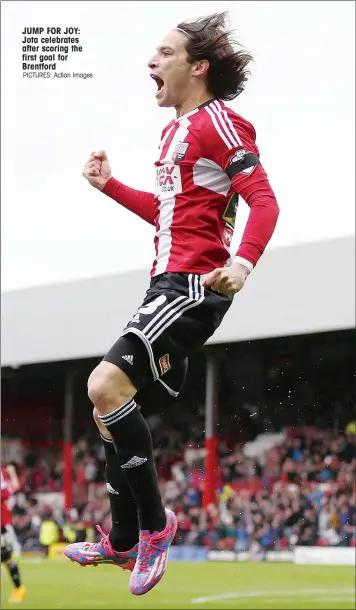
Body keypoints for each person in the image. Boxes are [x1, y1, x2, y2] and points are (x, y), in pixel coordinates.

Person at [64, 11, 279, 596]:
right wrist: (109, 186)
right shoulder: (172, 134)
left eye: (163, 53)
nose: (151, 63)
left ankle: (154, 531)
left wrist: (242, 262)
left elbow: (263, 201)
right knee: (111, 411)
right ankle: (124, 539)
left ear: (198, 66)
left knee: (104, 385)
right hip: (163, 284)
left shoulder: (221, 123)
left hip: (191, 287)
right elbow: (167, 216)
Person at [1, 466, 27, 603]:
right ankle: (19, 588)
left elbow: (10, 490)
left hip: (2, 527)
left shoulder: (4, 487)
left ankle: (19, 588)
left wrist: (11, 473)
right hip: (4, 525)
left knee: (7, 558)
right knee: (7, 559)